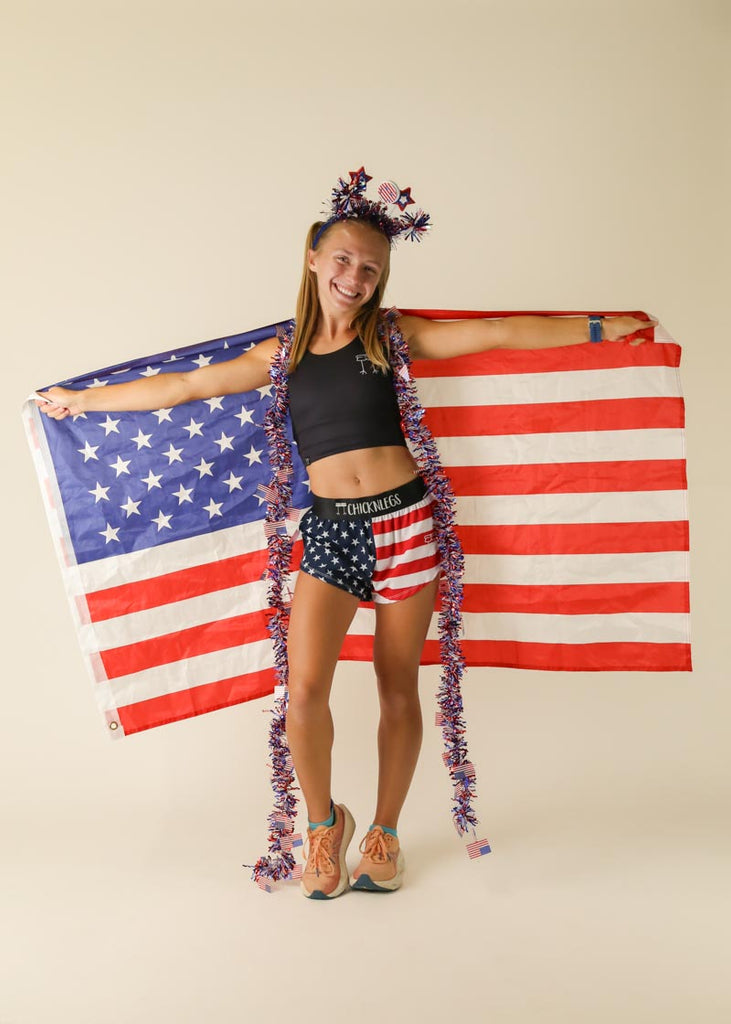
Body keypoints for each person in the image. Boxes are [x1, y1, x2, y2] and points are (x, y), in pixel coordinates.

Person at [37, 168, 658, 899]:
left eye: (370, 267)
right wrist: (82, 401)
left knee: (397, 687)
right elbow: (183, 386)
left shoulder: (392, 338)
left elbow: (494, 333)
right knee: (303, 693)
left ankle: (385, 831)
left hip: (406, 524)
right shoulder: (282, 353)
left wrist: (597, 329)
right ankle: (323, 827)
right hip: (330, 532)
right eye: (341, 260)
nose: (353, 276)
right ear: (312, 258)